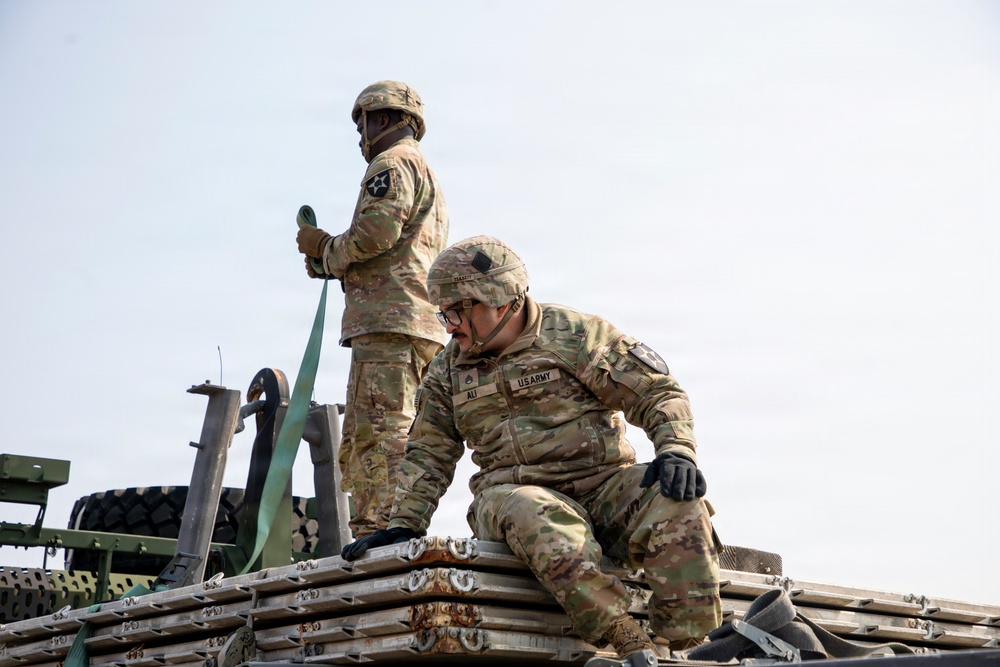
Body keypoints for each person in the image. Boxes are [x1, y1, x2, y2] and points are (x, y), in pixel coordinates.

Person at [340, 236, 722, 665]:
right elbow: (429, 450)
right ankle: (627, 639)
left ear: (500, 300)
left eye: (457, 311)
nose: (449, 326)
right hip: (511, 499)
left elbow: (656, 392)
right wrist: (403, 525)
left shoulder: (575, 336)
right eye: (443, 313)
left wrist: (677, 450)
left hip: (602, 488)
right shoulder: (448, 370)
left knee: (677, 498)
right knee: (532, 509)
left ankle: (692, 648)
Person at [295, 80, 448, 538]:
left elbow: (376, 234)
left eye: (362, 124)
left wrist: (325, 249)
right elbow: (396, 250)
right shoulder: (424, 171)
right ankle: (393, 528)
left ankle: (385, 533)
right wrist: (330, 263)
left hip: (388, 326)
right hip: (415, 324)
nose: (361, 137)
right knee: (402, 431)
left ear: (381, 119)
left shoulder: (392, 164)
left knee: (379, 435)